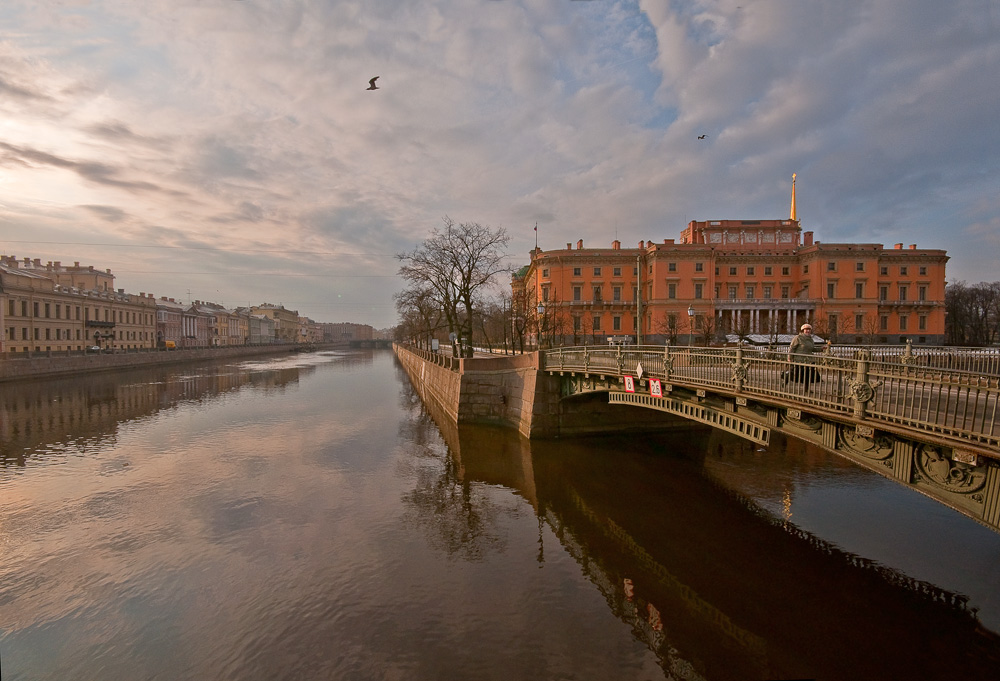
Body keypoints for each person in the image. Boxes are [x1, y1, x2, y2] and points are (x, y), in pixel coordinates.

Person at [787, 323, 821, 390]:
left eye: (809, 329)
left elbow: (811, 349)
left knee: (808, 375)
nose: (808, 331)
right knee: (796, 374)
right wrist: (789, 357)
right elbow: (792, 348)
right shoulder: (798, 338)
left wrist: (821, 349)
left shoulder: (810, 339)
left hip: (809, 360)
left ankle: (806, 388)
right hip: (799, 359)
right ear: (803, 330)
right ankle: (786, 379)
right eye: (806, 329)